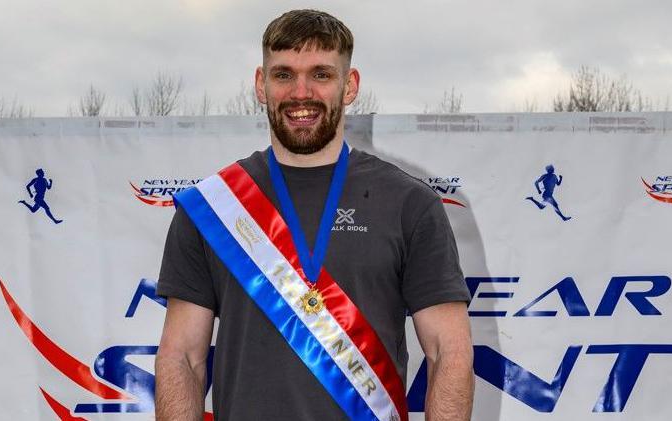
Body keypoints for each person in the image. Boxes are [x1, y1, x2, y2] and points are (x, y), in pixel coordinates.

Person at [155, 9, 473, 421]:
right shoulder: (212, 207)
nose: (300, 92)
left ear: (350, 86)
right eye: (283, 74)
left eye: (321, 74)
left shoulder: (409, 204)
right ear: (260, 84)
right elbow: (182, 358)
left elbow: (449, 352)